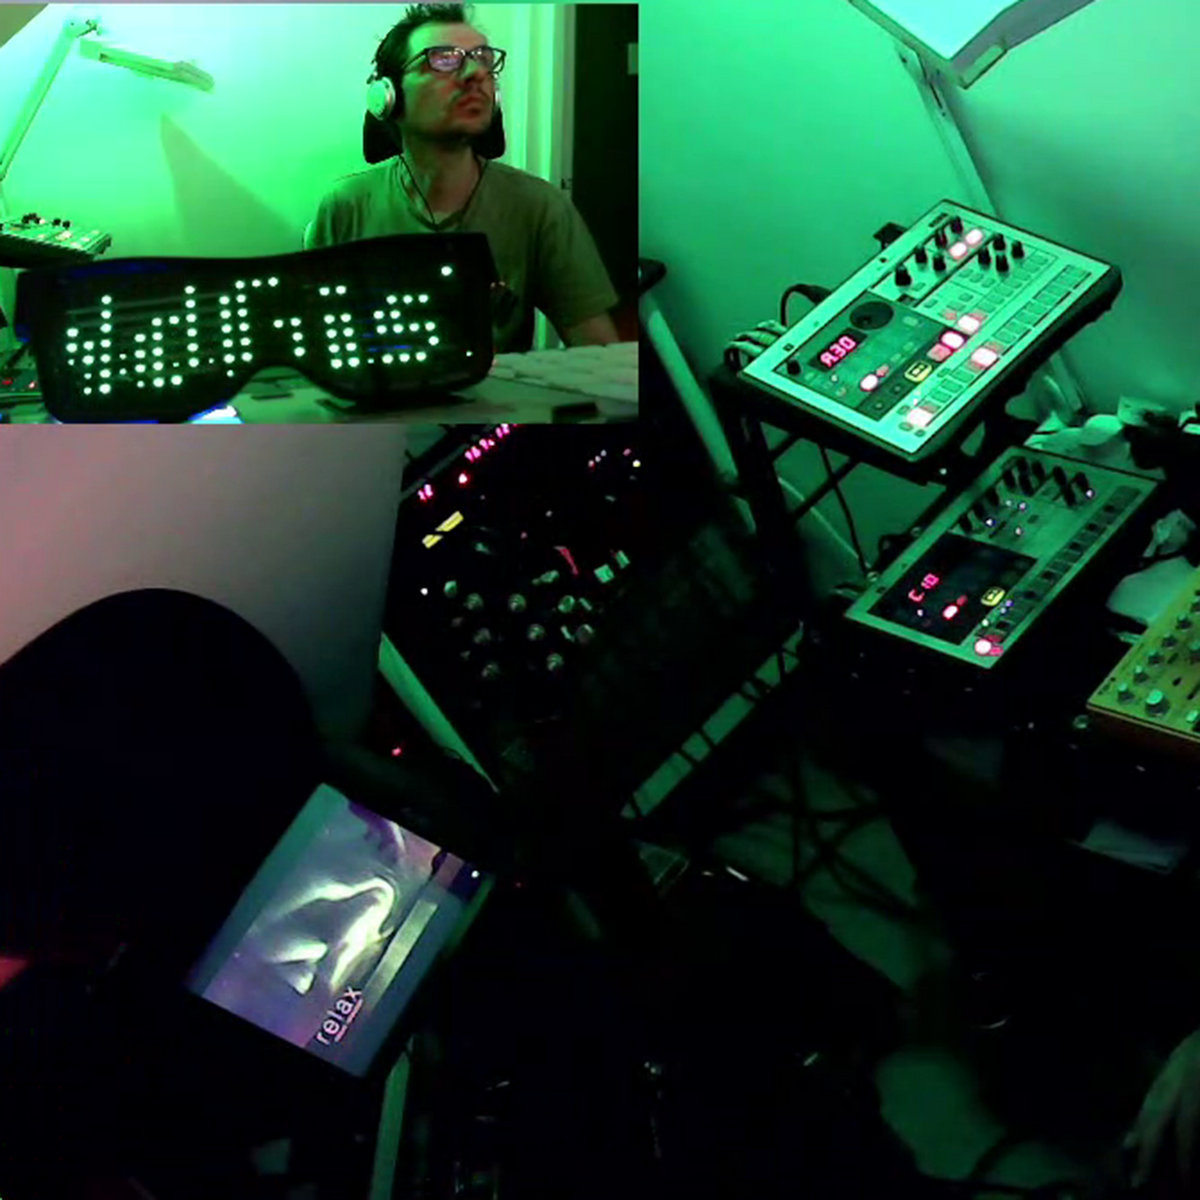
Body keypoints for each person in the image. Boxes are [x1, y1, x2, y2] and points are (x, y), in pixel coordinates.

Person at [309, 3, 622, 354]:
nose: (475, 73)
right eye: (443, 59)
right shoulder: (346, 206)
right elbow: (318, 341)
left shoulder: (539, 207)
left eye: (483, 59)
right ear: (387, 96)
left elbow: (600, 352)